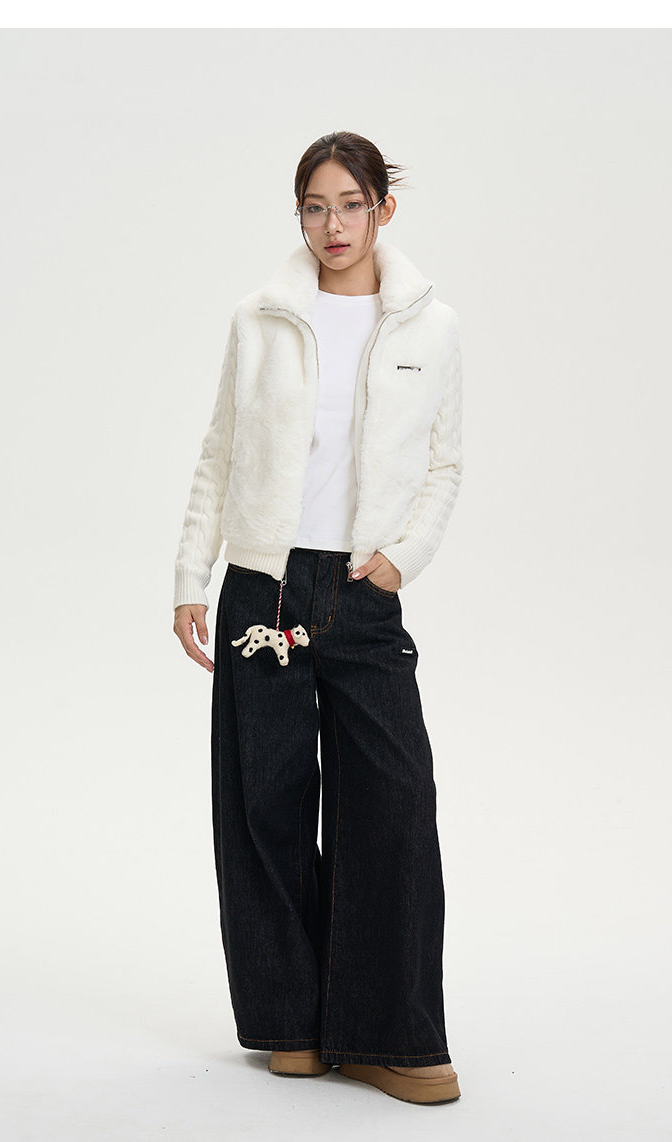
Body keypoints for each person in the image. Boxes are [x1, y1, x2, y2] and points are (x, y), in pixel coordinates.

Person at [172, 131, 464, 1106]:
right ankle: (289, 1021)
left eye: (350, 204)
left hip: (363, 588)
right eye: (314, 206)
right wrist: (190, 575)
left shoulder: (430, 326)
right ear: (298, 214)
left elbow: (445, 465)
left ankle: (389, 1034)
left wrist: (402, 559)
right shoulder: (261, 316)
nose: (332, 225)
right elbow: (219, 448)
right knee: (265, 805)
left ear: (384, 207)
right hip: (262, 584)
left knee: (394, 804)